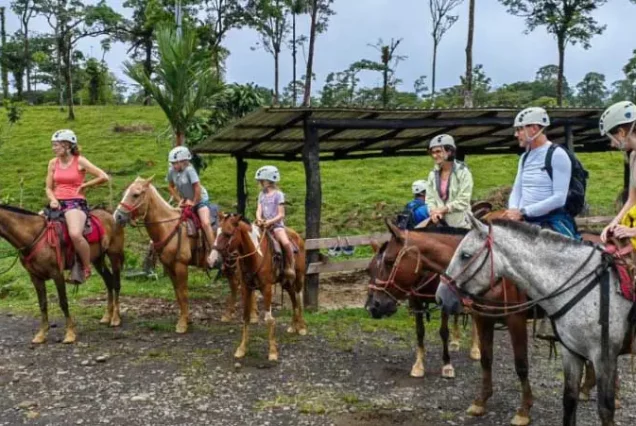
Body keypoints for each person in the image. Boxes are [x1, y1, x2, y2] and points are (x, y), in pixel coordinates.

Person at [504, 107, 581, 239]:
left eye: (520, 129)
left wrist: (523, 212)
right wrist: (513, 210)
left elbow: (559, 198)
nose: (516, 135)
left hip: (552, 222)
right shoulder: (524, 157)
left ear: (533, 128)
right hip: (525, 220)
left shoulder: (557, 154)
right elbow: (517, 189)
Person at [46, 129, 110, 281]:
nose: (53, 148)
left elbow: (103, 176)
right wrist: (52, 199)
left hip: (75, 202)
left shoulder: (80, 161)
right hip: (56, 202)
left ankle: (86, 267)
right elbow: (48, 187)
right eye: (53, 145)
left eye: (56, 145)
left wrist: (85, 185)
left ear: (67, 145)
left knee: (75, 234)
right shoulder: (52, 163)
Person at [166, 146, 216, 259]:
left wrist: (194, 203)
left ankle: (214, 251)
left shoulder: (190, 170)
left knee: (205, 223)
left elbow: (197, 188)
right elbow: (170, 187)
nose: (173, 165)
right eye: (172, 163)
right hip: (186, 200)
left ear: (183, 161)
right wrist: (180, 200)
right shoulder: (171, 171)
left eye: (176, 163)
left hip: (200, 200)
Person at [599, 101, 636, 244]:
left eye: (612, 138)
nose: (612, 144)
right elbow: (632, 200)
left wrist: (632, 231)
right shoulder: (633, 157)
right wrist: (613, 223)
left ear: (622, 132)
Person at [254, 165, 295, 281]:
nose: (260, 183)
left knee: (285, 242)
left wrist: (269, 222)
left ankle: (290, 265)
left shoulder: (279, 195)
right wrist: (259, 219)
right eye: (260, 181)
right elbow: (259, 209)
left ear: (270, 180)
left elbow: (281, 214)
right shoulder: (261, 195)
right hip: (263, 225)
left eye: (262, 181)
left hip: (276, 226)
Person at [425, 134, 473, 229]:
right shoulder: (432, 174)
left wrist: (443, 210)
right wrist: (433, 212)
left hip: (461, 225)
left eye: (438, 151)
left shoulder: (463, 172)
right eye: (432, 152)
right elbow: (429, 199)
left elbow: (464, 200)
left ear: (450, 151)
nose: (434, 155)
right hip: (439, 225)